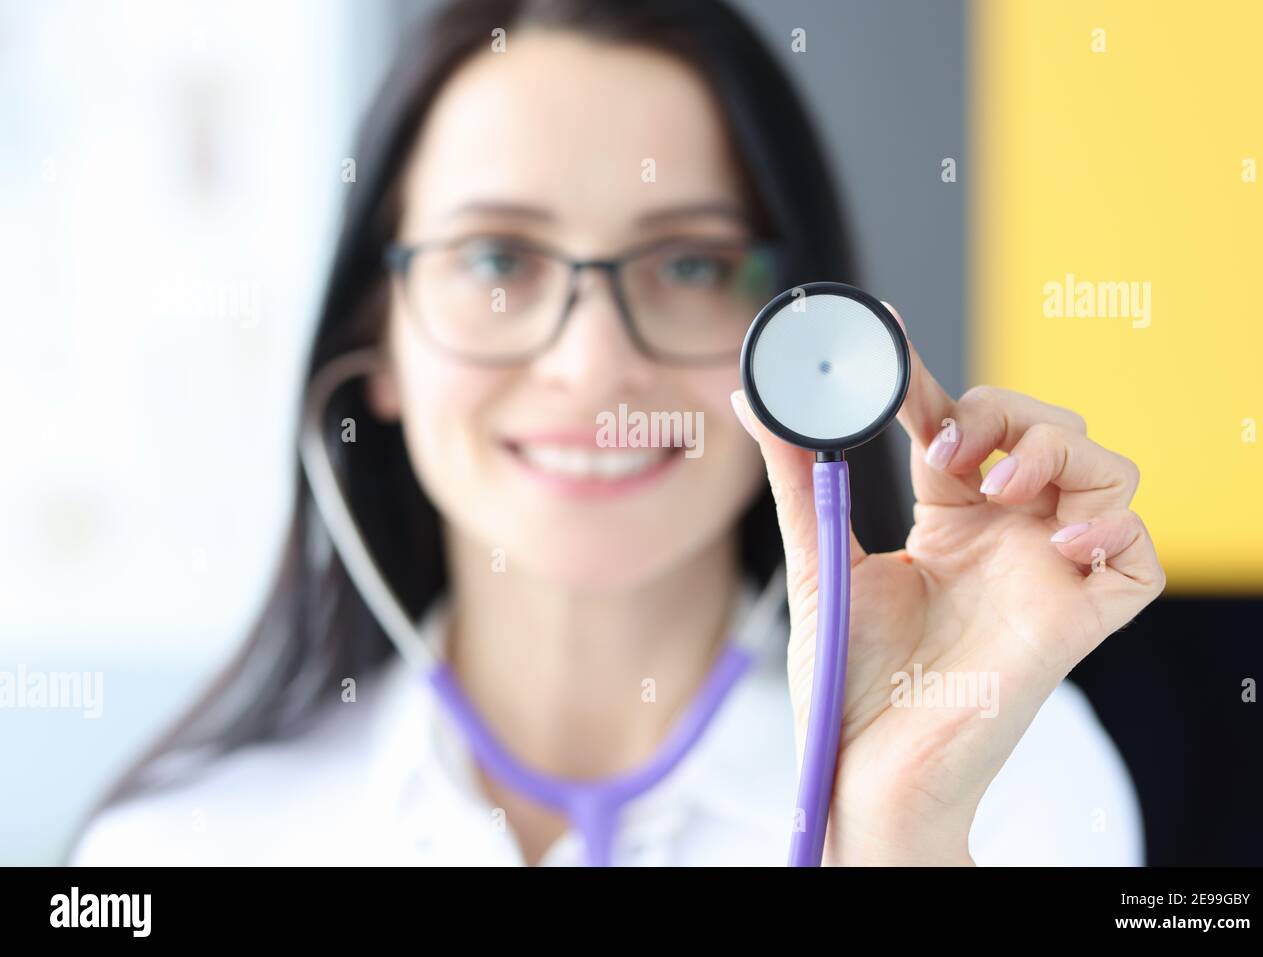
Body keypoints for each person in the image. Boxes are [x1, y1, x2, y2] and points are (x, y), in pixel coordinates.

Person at [70, 0, 1161, 867]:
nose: (592, 364)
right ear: (381, 340)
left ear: (797, 337)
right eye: (497, 259)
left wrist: (899, 839)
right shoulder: (179, 850)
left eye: (687, 264)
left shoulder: (1014, 782)